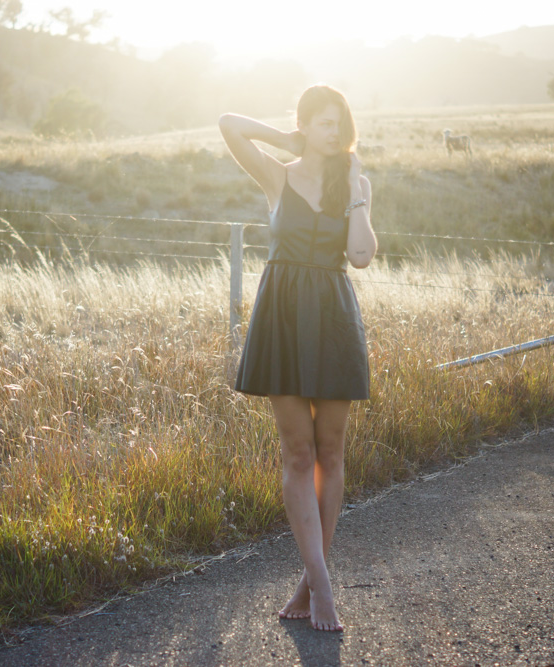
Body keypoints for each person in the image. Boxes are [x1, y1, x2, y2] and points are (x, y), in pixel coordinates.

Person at [218, 84, 377, 632]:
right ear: (305, 125)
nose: (334, 131)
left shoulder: (354, 182)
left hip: (333, 317)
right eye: (323, 122)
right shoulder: (277, 175)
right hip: (282, 316)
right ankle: (325, 590)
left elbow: (360, 256)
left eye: (340, 122)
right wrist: (282, 136)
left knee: (330, 453)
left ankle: (311, 582)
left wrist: (358, 195)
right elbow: (229, 123)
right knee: (297, 453)